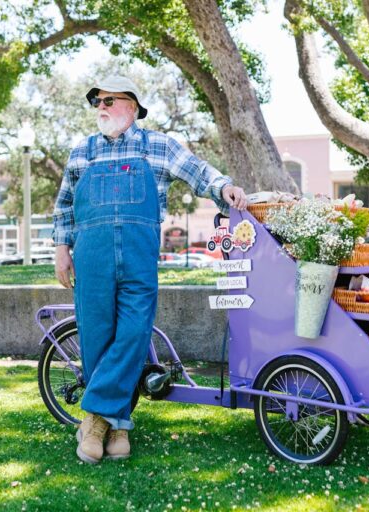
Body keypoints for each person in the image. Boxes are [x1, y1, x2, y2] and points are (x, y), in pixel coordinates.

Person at [52, 74, 247, 464]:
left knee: (133, 334)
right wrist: (61, 249)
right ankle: (119, 424)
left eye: (109, 101)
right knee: (96, 337)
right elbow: (64, 206)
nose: (102, 108)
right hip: (91, 259)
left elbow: (197, 171)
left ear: (133, 107)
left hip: (140, 260)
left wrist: (223, 187)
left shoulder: (157, 146)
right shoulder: (81, 153)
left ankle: (94, 419)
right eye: (98, 102)